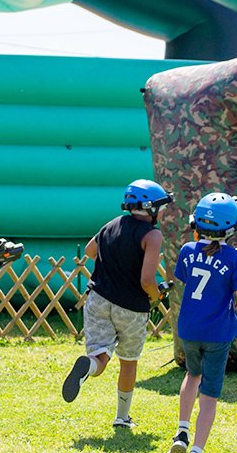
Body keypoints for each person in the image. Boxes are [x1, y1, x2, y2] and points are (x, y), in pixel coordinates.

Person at [62, 179, 172, 428]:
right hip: (131, 307)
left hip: (98, 298)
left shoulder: (111, 224)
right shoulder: (152, 236)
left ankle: (89, 366)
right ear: (152, 208)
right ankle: (122, 417)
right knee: (128, 361)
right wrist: (156, 296)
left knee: (101, 355)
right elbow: (146, 280)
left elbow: (90, 251)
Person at [165, 192, 237, 453]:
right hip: (217, 334)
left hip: (189, 329)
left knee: (192, 375)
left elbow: (188, 280)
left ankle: (181, 431)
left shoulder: (188, 250)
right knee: (210, 394)